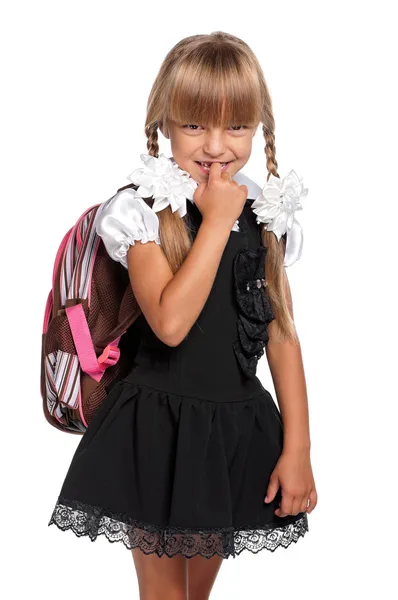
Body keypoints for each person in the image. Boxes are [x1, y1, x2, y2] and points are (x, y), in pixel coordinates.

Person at [48, 31, 317, 599]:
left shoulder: (266, 218)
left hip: (231, 434)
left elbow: (282, 336)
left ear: (258, 127)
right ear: (163, 123)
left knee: (196, 596)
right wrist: (216, 223)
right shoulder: (144, 210)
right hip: (158, 428)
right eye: (195, 124)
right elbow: (170, 324)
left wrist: (299, 449)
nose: (216, 145)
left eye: (236, 126)